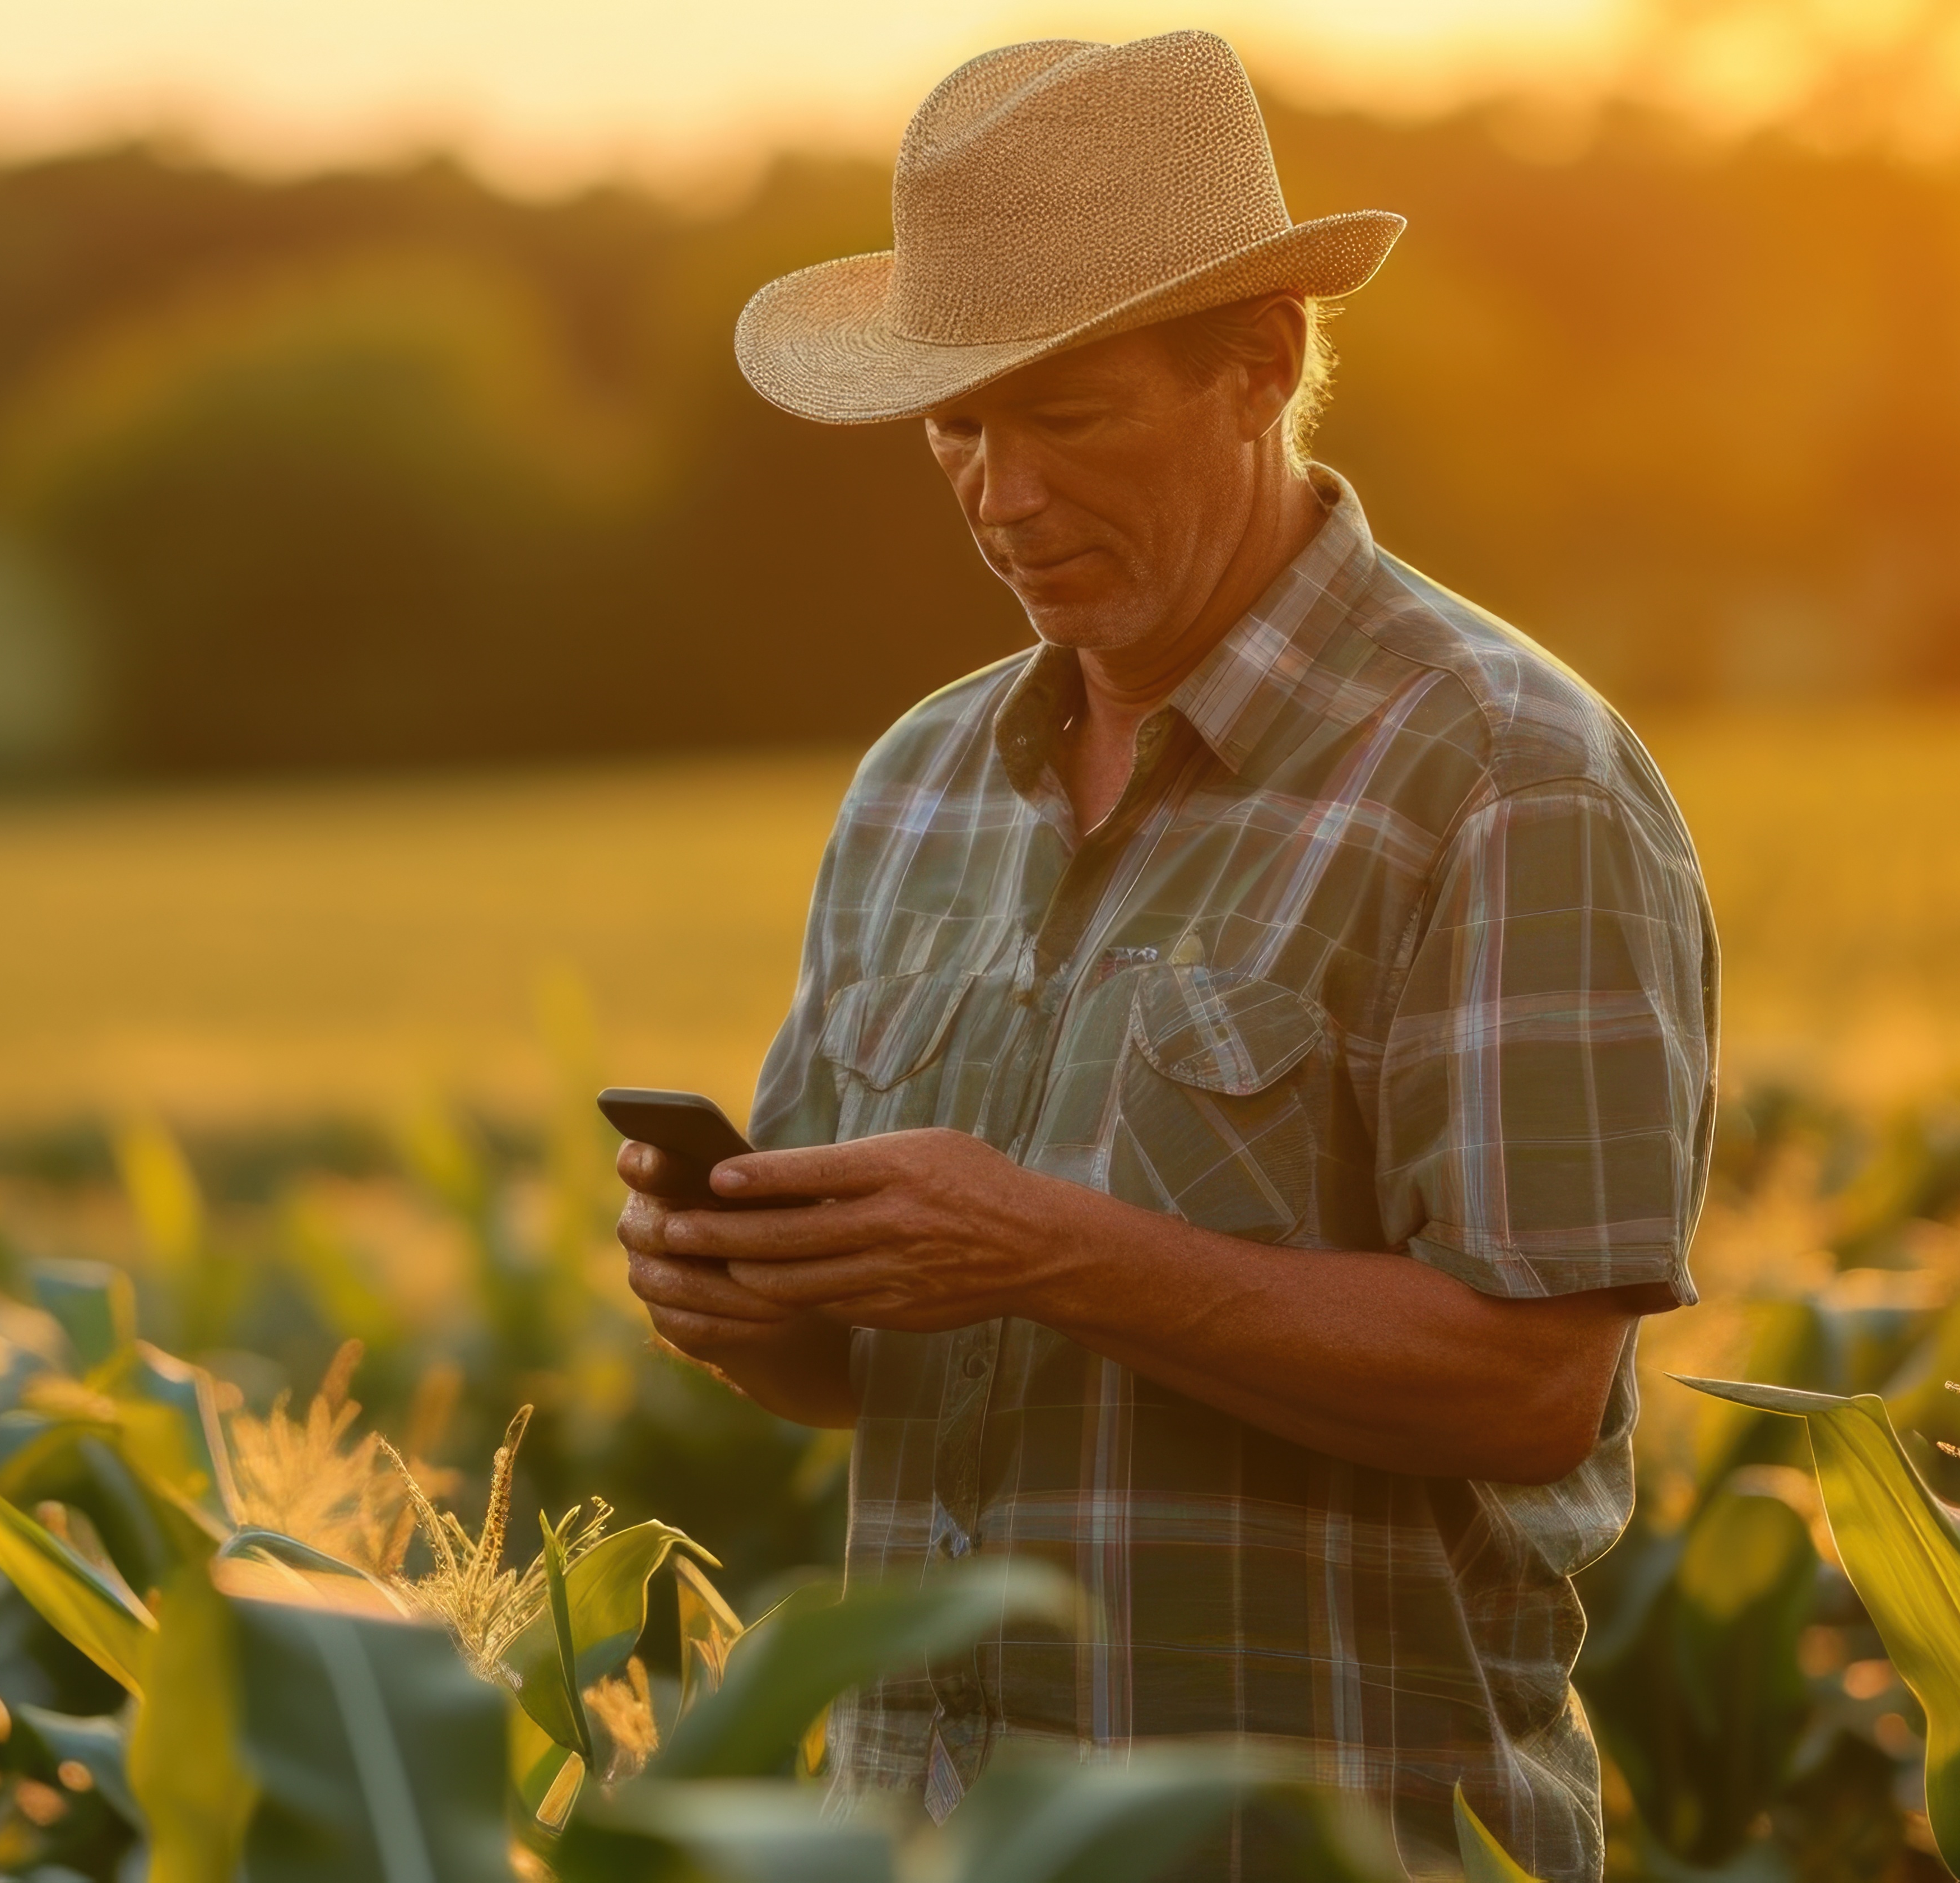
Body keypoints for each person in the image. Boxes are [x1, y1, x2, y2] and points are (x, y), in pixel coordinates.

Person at [617, 29, 1719, 1881]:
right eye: (959, 427)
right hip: (920, 1839)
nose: (1004, 496)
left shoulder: (1504, 773)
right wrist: (748, 1301)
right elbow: (877, 1371)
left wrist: (1051, 1251)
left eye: (1069, 417)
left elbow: (1533, 1385)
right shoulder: (917, 787)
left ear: (1261, 368)